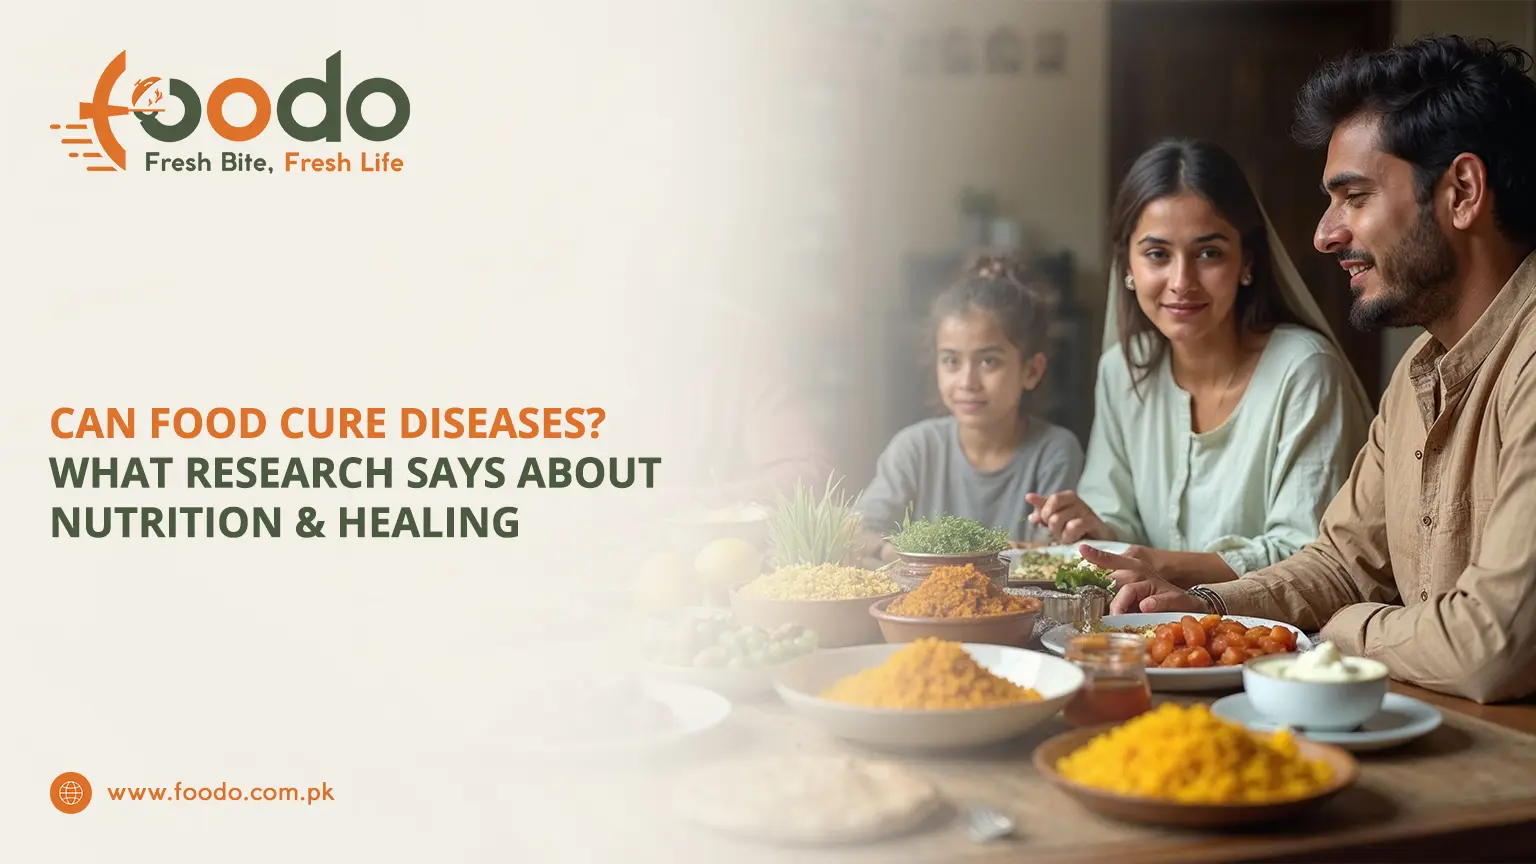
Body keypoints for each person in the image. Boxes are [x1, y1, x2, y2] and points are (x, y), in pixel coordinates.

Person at [1091, 36, 1536, 704]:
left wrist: (1340, 630)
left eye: (1353, 197)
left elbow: (1490, 648)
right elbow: (1340, 563)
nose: (1325, 235)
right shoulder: (1420, 370)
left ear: (1463, 192)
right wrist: (1204, 605)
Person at [1026, 139, 1374, 588]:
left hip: (1276, 642)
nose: (1181, 282)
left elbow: (1304, 553)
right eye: (1157, 254)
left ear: (1246, 262)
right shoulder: (1122, 370)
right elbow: (1117, 519)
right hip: (1141, 629)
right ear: (1127, 265)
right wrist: (1097, 533)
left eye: (1208, 253)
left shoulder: (1303, 370)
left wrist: (1158, 564)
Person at [859, 254, 1084, 556]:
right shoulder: (914, 448)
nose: (968, 381)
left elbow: (1049, 554)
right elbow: (861, 531)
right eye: (951, 361)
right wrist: (894, 554)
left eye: (989, 361)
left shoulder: (1054, 452)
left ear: (1031, 371)